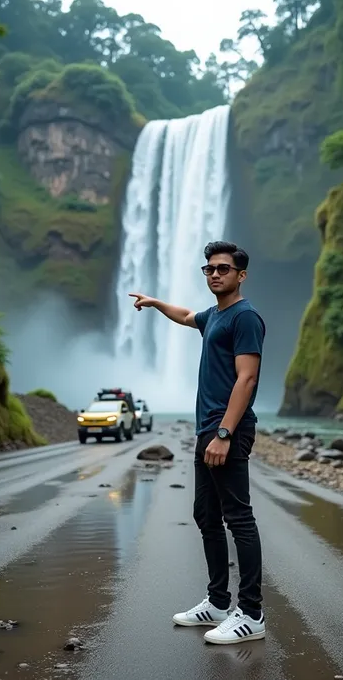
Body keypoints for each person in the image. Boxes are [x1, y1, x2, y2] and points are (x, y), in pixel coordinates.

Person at [129, 241, 266, 645]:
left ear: (240, 275)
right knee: (206, 516)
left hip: (228, 429)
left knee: (238, 518)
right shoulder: (216, 316)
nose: (214, 274)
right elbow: (188, 316)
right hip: (208, 429)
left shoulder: (245, 317)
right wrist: (156, 303)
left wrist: (224, 433)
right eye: (208, 269)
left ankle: (253, 614)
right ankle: (219, 603)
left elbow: (248, 379)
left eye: (223, 269)